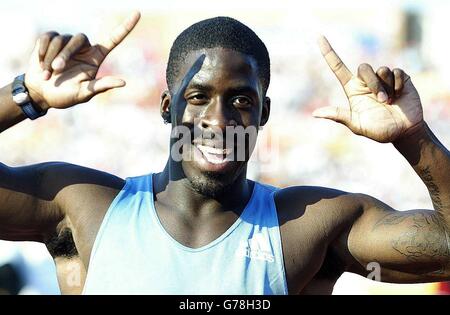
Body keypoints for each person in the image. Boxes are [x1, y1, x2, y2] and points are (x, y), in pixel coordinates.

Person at [0, 11, 449, 295]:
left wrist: (413, 136)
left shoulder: (310, 224)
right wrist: (26, 96)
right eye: (197, 97)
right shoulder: (84, 207)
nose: (218, 119)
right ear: (166, 107)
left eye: (240, 100)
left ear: (264, 112)